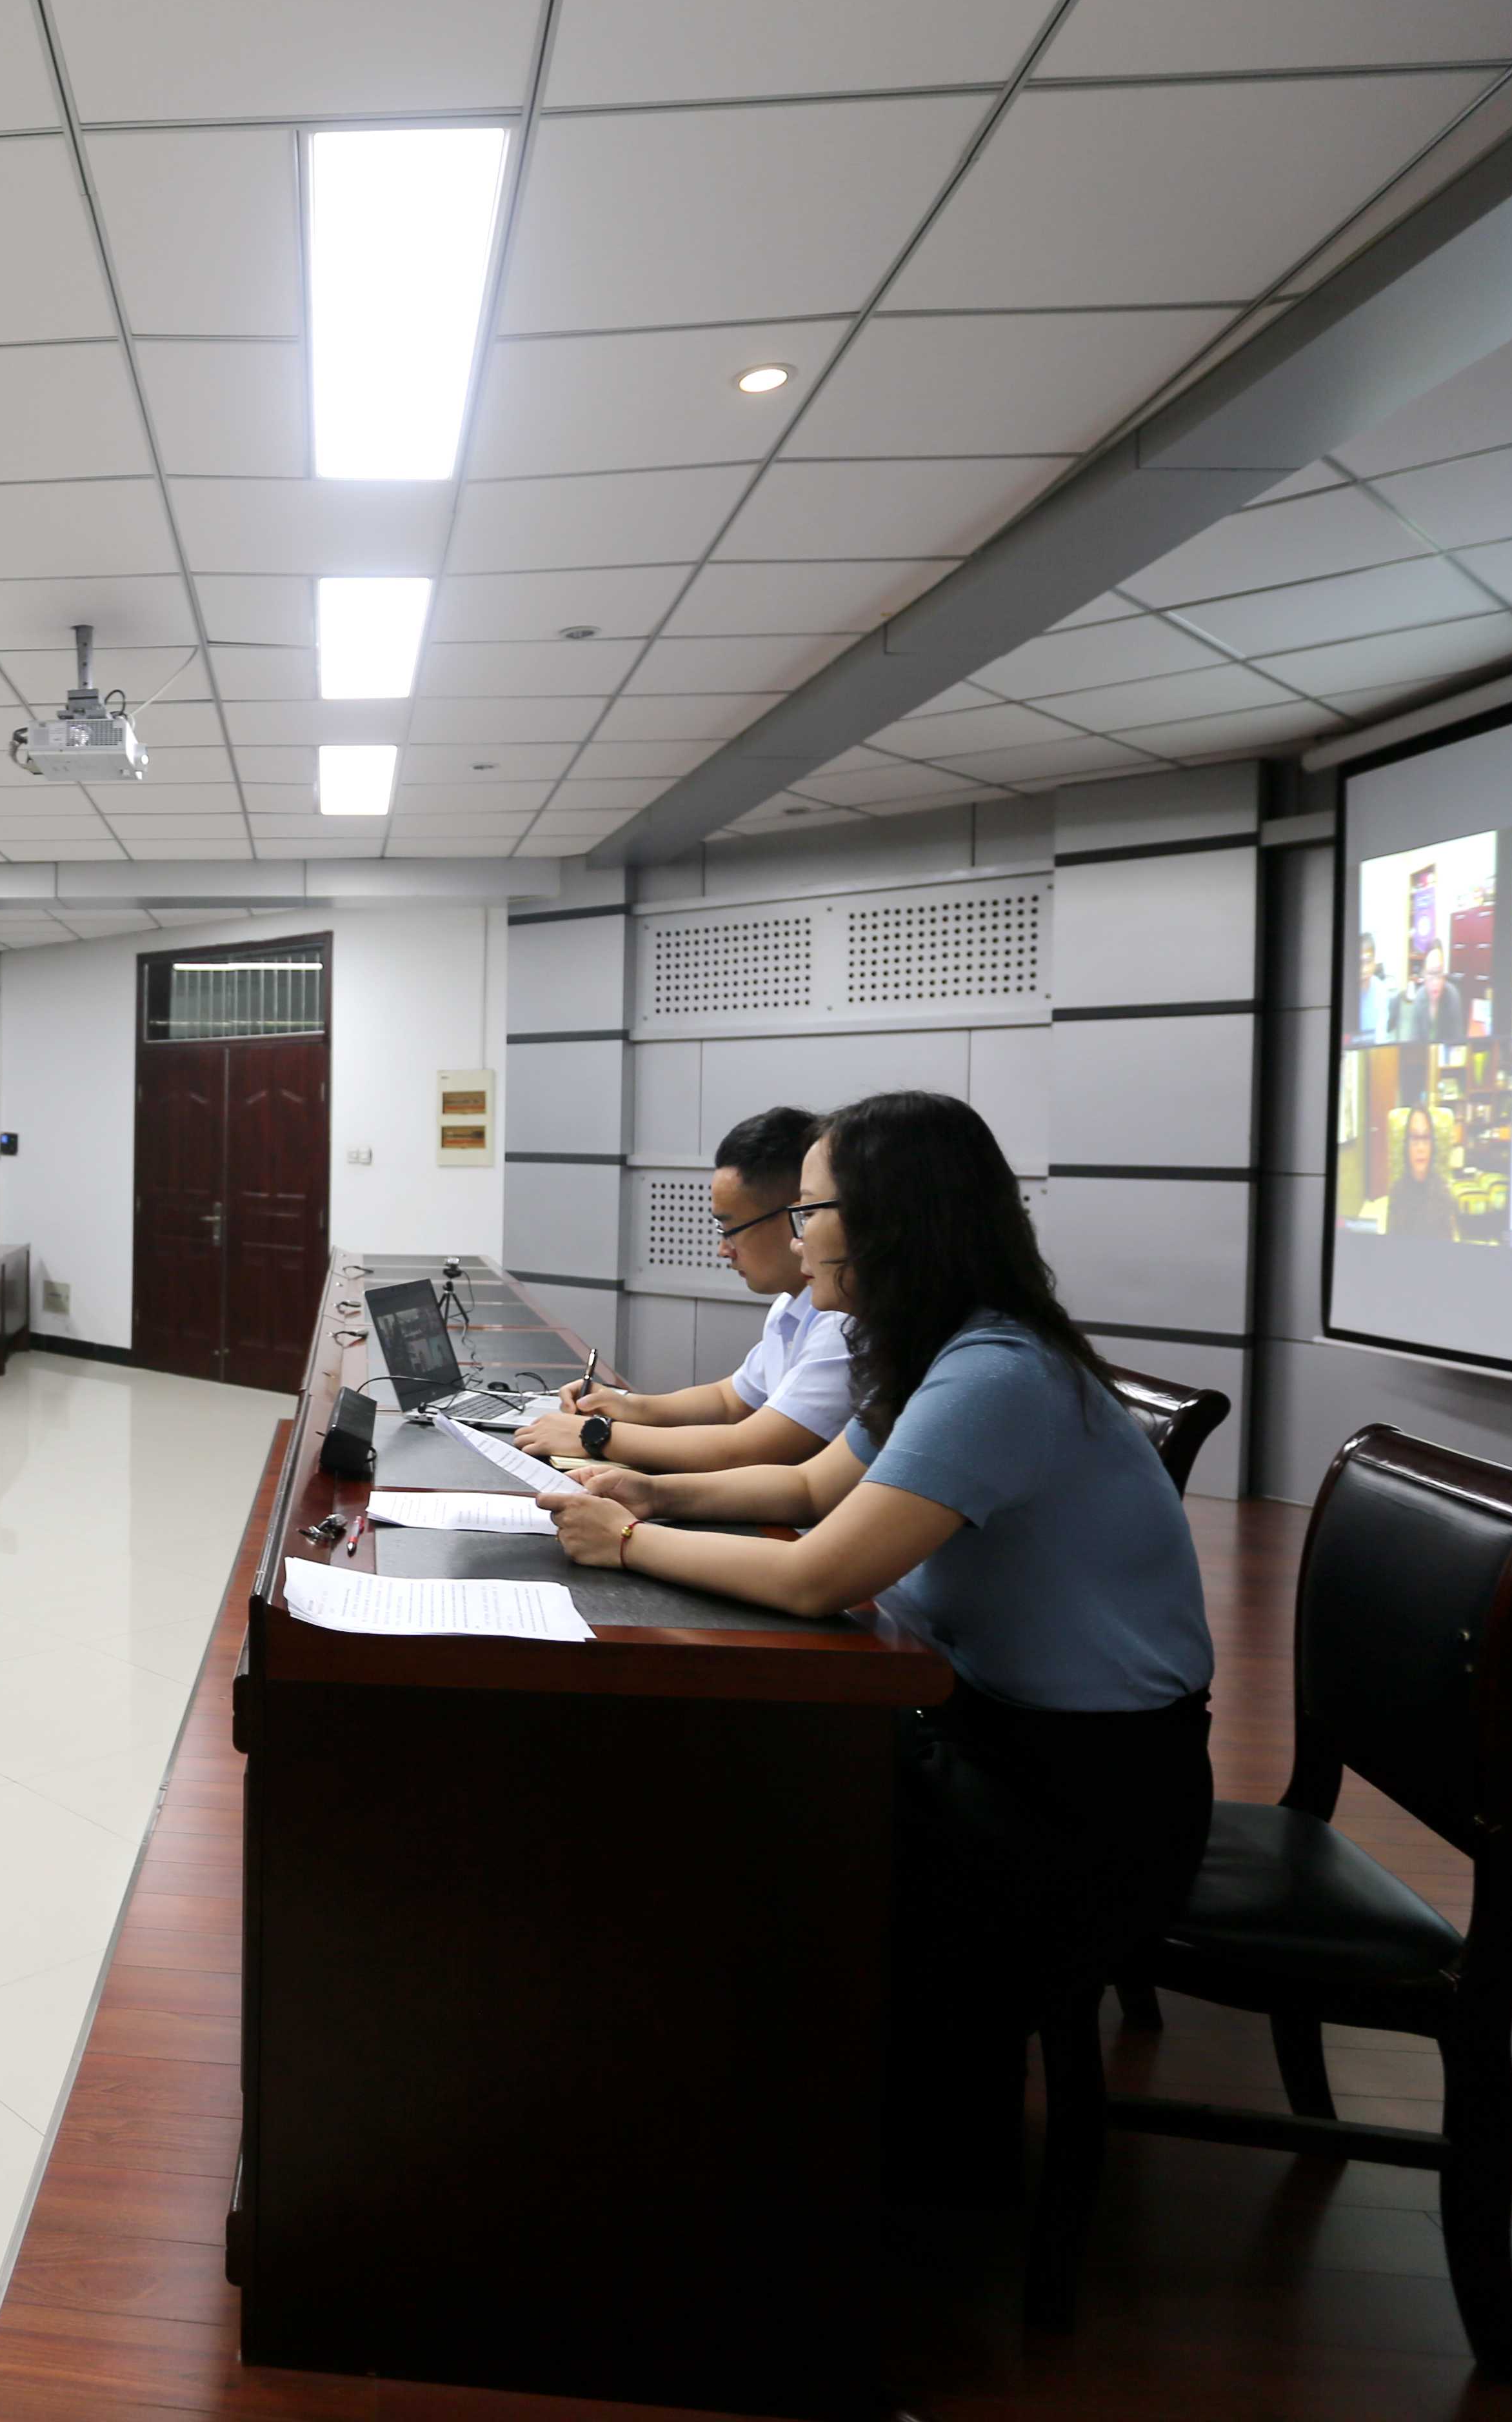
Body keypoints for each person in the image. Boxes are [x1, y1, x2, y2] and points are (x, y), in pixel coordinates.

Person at [530, 1091, 1213, 2195]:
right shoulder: (945, 1349)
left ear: (891, 1220)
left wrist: (630, 1543)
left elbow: (819, 1575)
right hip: (1002, 1736)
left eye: (811, 1210)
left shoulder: (995, 1374)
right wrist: (651, 1489)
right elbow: (809, 1486)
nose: (797, 1236)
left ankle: (839, 2178)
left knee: (742, 1824)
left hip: (1082, 1800)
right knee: (733, 1788)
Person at [512, 1106, 850, 1471]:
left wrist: (597, 1436)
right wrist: (627, 1406)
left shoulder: (841, 1321)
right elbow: (730, 1400)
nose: (723, 1249)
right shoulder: (792, 1306)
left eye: (731, 1229)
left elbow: (754, 1448)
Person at [1384, 1105, 1458, 1242]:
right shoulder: (1397, 1193)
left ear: (1433, 1145)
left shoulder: (1444, 1193)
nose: (1421, 1148)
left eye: (1426, 1138)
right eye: (1414, 1138)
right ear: (1406, 1145)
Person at [1352, 940, 1396, 1046]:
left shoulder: (1381, 990)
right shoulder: (1347, 988)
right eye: (1360, 962)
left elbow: (1381, 1033)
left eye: (1369, 961)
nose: (1365, 969)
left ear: (1374, 962)